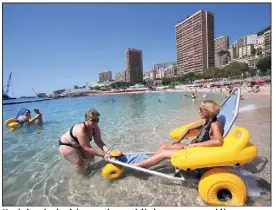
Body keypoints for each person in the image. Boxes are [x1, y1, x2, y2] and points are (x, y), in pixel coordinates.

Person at [134, 100, 223, 168]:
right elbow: (188, 128)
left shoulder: (214, 124)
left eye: (201, 110)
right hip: (193, 147)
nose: (199, 112)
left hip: (198, 152)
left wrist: (195, 145)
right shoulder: (205, 120)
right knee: (164, 145)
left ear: (209, 111)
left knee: (164, 153)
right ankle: (149, 162)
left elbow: (218, 141)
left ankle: (137, 165)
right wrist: (179, 140)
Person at [59, 109, 110, 175]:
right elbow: (87, 148)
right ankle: (82, 179)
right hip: (67, 145)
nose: (96, 122)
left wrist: (107, 151)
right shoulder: (80, 130)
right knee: (80, 163)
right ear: (87, 120)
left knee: (91, 157)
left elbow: (99, 141)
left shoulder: (95, 127)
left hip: (79, 144)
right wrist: (104, 155)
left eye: (97, 120)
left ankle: (90, 170)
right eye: (93, 120)